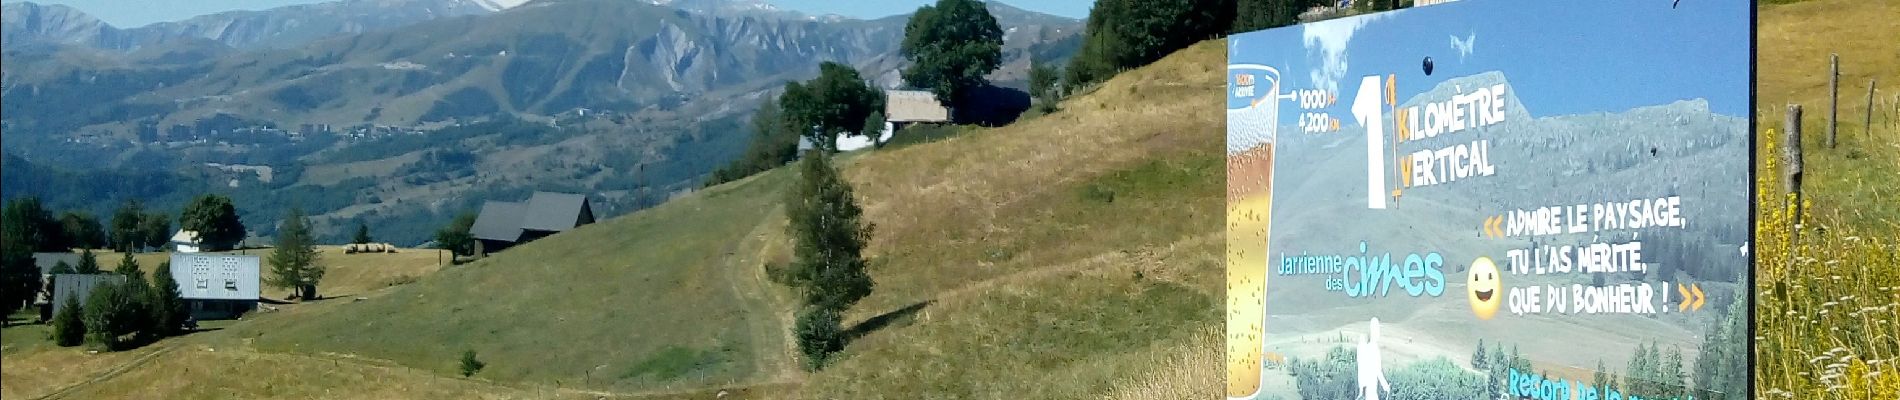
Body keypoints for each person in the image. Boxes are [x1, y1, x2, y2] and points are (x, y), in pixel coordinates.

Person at [1356, 317, 1391, 400]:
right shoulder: (1373, 348)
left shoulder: (1370, 347)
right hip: (1370, 388)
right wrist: (1385, 386)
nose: (1378, 333)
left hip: (1369, 388)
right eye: (1376, 330)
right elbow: (1377, 370)